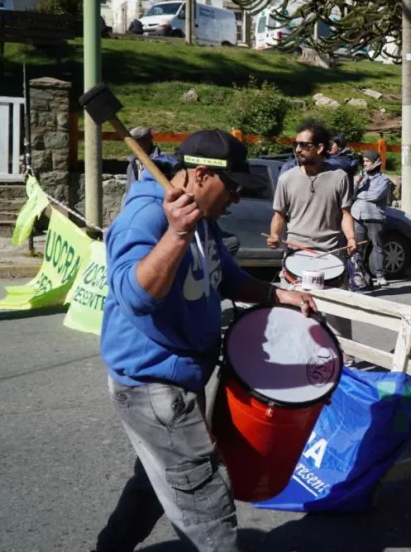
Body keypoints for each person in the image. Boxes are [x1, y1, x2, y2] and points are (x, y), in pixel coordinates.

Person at [94, 129, 317, 552]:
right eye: (232, 187)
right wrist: (176, 234)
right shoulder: (146, 216)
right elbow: (135, 296)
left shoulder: (204, 221)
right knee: (206, 503)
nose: (237, 198)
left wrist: (276, 294)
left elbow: (226, 275)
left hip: (185, 376)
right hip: (153, 383)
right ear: (200, 175)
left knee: (155, 483)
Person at [267, 119, 358, 362]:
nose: (298, 149)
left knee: (338, 318)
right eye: (296, 144)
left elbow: (346, 214)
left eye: (304, 145)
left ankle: (345, 362)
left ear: (319, 148)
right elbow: (279, 215)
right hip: (296, 256)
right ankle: (296, 363)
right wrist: (275, 235)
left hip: (331, 255)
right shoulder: (287, 179)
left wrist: (351, 238)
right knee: (294, 315)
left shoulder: (339, 177)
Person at [352, 150, 391, 287]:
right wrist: (356, 184)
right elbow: (350, 195)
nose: (365, 164)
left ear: (375, 163)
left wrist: (359, 195)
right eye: (364, 161)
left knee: (377, 246)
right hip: (358, 215)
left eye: (367, 161)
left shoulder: (383, 180)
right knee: (357, 246)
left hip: (374, 217)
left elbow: (375, 195)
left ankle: (380, 275)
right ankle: (358, 274)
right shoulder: (360, 178)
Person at [124, 127, 164, 197]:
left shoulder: (163, 161)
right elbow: (128, 190)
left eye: (136, 142)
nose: (132, 145)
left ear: (147, 140)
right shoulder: (132, 164)